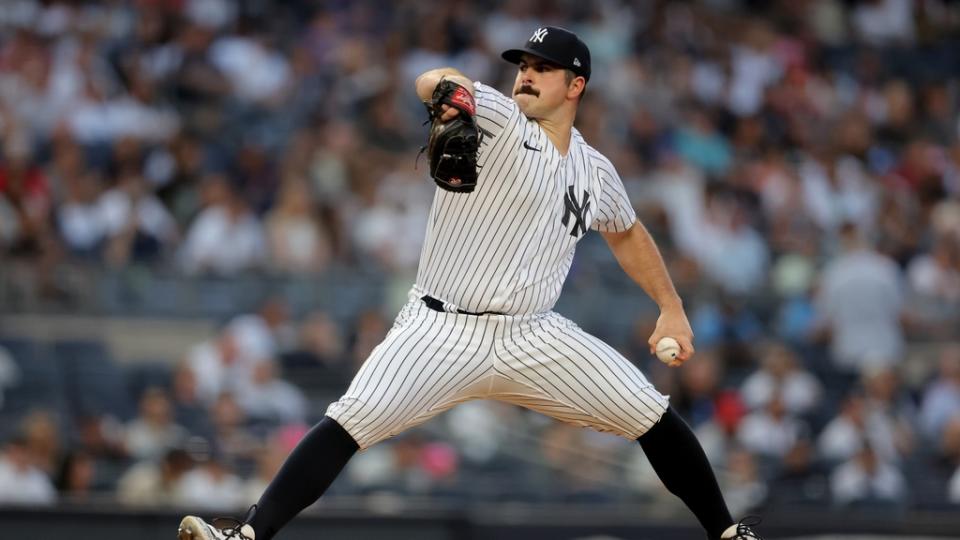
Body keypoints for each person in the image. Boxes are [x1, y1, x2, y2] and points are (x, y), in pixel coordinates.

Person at [178, 26, 762, 540]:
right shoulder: (503, 120)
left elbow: (628, 233)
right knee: (349, 421)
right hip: (440, 329)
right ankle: (249, 536)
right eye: (523, 67)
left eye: (542, 69)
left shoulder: (595, 169)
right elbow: (432, 78)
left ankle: (728, 532)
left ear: (576, 85)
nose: (526, 77)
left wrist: (671, 307)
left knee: (651, 414)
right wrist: (451, 93)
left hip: (534, 336)